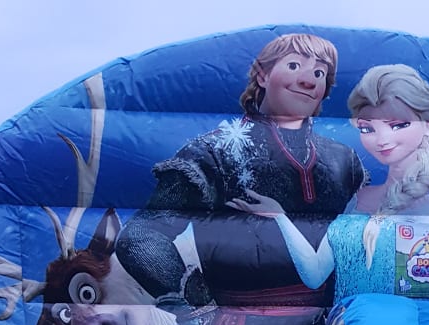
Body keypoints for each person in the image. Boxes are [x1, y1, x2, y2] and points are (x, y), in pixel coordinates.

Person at [116, 32, 365, 308]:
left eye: (319, 73)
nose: (309, 80)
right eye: (294, 65)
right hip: (238, 324)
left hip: (337, 323)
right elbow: (140, 237)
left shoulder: (344, 160)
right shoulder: (212, 153)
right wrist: (196, 303)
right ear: (262, 76)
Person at [228, 64, 429, 297]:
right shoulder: (359, 198)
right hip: (348, 317)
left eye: (398, 125)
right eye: (367, 129)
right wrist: (279, 217)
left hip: (395, 318)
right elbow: (315, 273)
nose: (382, 140)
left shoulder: (426, 207)